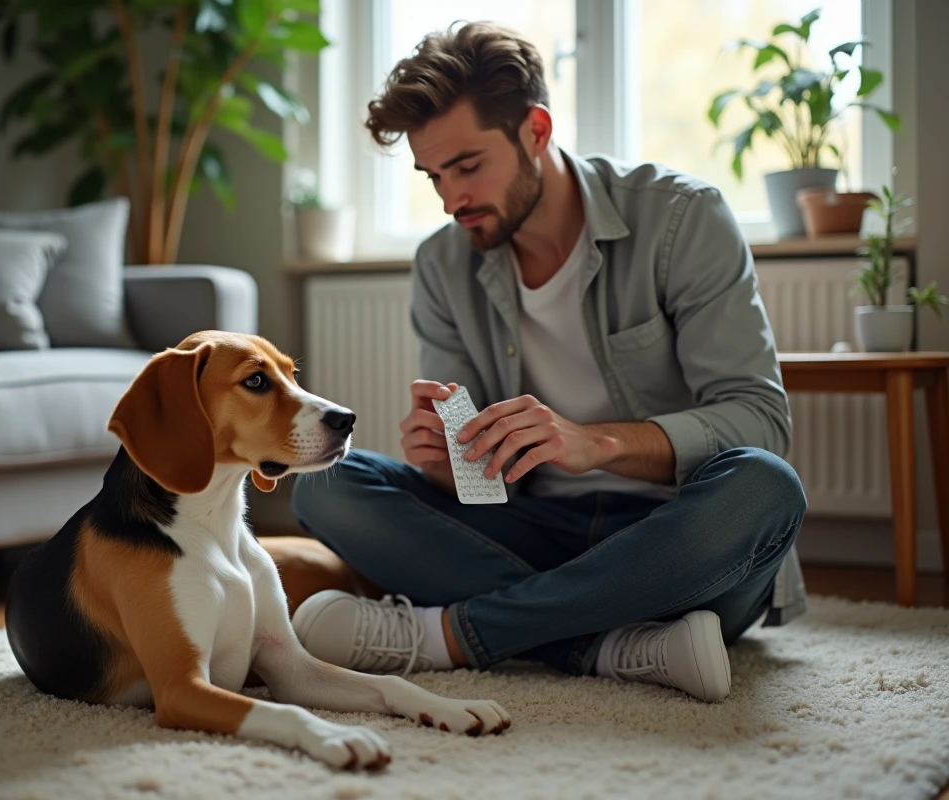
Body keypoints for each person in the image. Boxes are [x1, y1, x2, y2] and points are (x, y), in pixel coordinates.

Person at [283, 20, 808, 704]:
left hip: (673, 544)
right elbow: (480, 488)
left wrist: (596, 443)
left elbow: (762, 422)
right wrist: (449, 466)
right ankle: (606, 646)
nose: (451, 200)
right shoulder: (443, 265)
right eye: (433, 175)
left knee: (768, 485)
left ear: (535, 129)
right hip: (528, 536)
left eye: (467, 166)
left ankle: (448, 636)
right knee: (329, 481)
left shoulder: (684, 219)